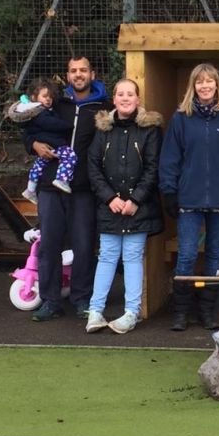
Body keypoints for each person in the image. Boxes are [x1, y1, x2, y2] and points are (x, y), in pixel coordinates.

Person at [159, 63, 219, 331]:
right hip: (189, 199)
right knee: (187, 255)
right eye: (199, 82)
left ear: (217, 86)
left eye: (209, 81)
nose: (205, 86)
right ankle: (179, 312)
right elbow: (170, 159)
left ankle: (207, 311)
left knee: (214, 257)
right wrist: (169, 190)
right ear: (193, 86)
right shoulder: (181, 118)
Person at [21, 56, 111, 322]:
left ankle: (82, 298)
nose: (78, 74)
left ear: (92, 74)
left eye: (83, 70)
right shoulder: (54, 103)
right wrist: (33, 145)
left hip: (83, 188)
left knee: (84, 245)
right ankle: (50, 301)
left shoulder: (103, 107)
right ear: (68, 75)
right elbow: (27, 128)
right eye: (73, 71)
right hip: (50, 187)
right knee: (49, 244)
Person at [85, 79, 164, 334]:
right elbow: (93, 167)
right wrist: (110, 198)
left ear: (138, 100)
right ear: (114, 99)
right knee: (107, 256)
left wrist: (136, 200)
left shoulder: (150, 130)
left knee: (132, 257)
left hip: (138, 208)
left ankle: (131, 312)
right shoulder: (103, 129)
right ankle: (95, 311)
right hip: (110, 206)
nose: (125, 98)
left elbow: (153, 169)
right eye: (121, 94)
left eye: (130, 94)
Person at [7, 78, 75, 203]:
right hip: (54, 143)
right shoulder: (39, 113)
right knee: (70, 155)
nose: (48, 99)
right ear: (34, 97)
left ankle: (30, 189)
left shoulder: (32, 114)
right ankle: (62, 179)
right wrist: (68, 125)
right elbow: (51, 124)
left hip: (46, 144)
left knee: (39, 166)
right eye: (44, 96)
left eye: (50, 96)